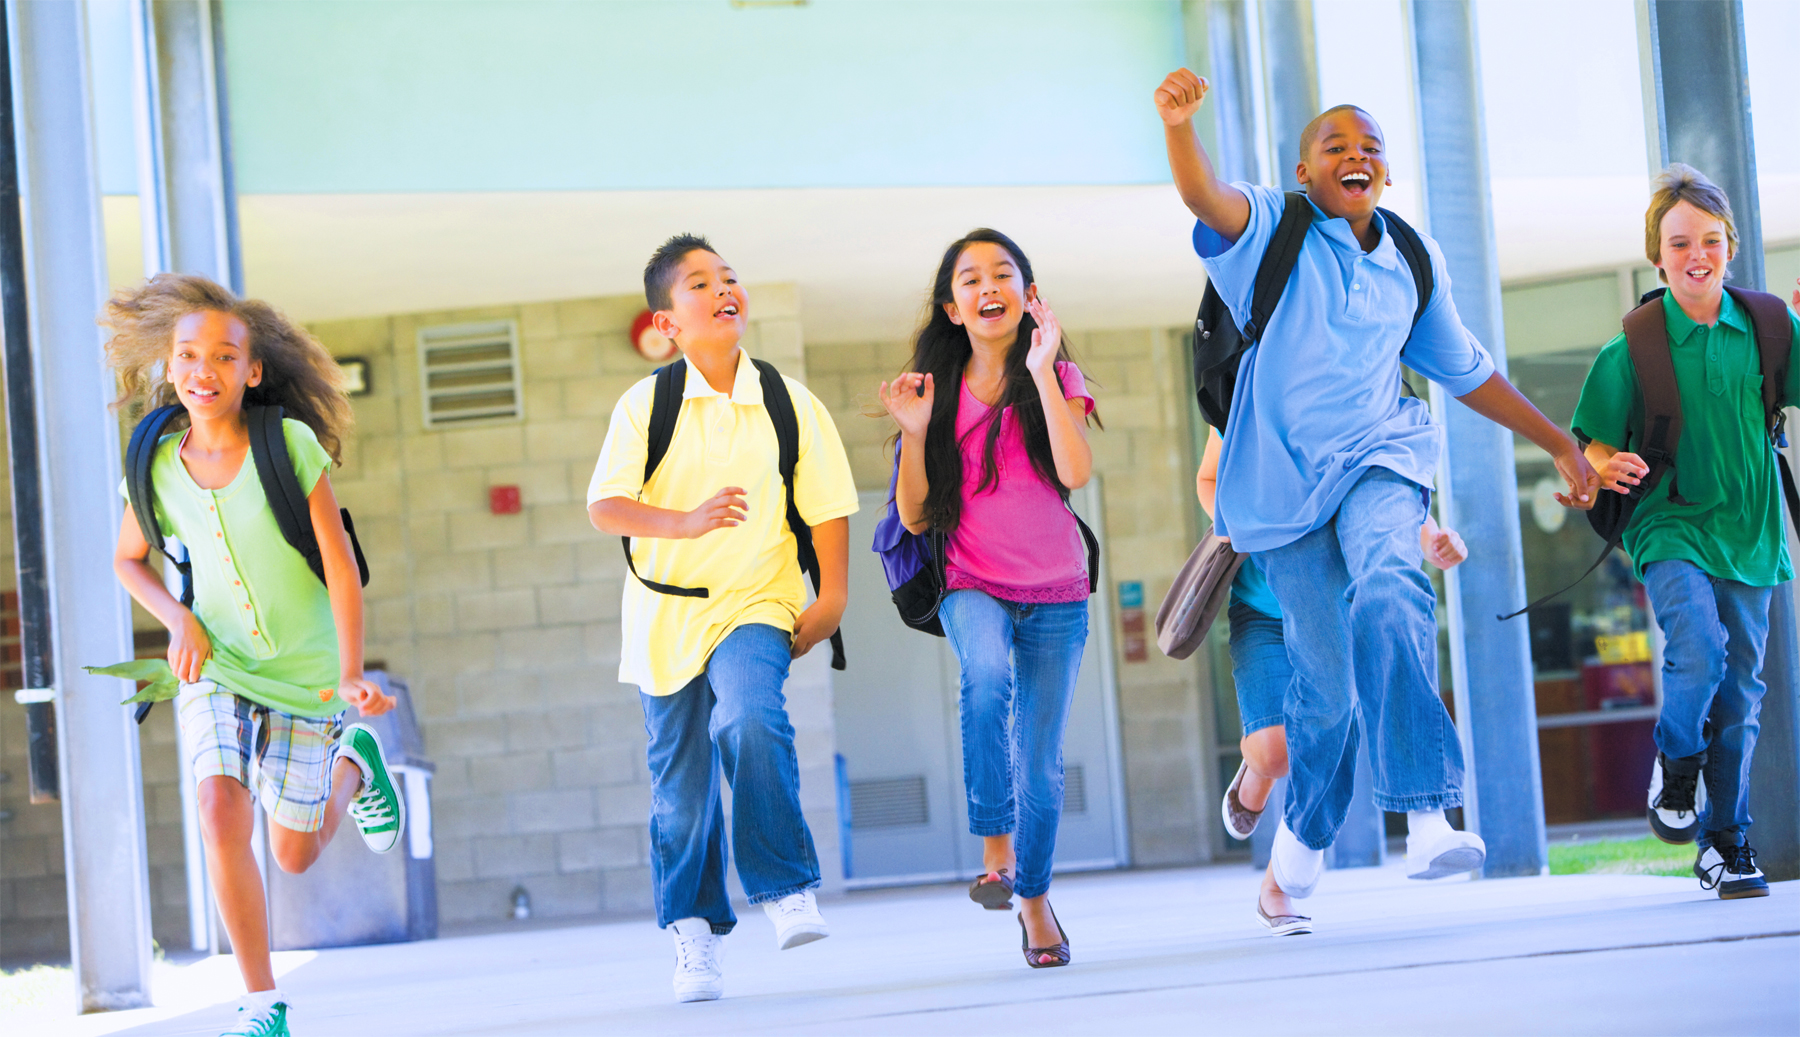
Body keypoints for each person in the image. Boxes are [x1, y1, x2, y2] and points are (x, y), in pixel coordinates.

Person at [1154, 69, 1601, 913]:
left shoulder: (1411, 259)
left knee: (1394, 590)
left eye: (1371, 150)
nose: (1355, 158)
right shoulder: (1271, 232)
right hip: (1282, 492)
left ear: (1385, 175)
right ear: (1305, 171)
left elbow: (1469, 372)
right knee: (1323, 692)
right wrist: (1180, 127)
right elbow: (1204, 196)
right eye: (1336, 148)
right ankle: (1300, 846)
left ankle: (1428, 811)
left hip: (1379, 455)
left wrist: (1558, 443)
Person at [106, 274, 404, 1037]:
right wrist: (177, 619)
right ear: (170, 368)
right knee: (217, 806)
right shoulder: (156, 463)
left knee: (296, 855)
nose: (204, 369)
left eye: (224, 355)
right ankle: (262, 1002)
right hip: (221, 667)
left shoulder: (287, 445)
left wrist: (350, 674)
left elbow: (340, 563)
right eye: (189, 354)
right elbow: (128, 560)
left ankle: (355, 765)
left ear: (252, 370)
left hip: (308, 678)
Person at [587, 234, 858, 1002]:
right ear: (667, 322)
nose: (723, 290)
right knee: (681, 788)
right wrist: (685, 521)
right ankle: (695, 935)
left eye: (729, 278)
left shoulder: (788, 400)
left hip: (756, 599)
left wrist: (830, 596)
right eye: (699, 283)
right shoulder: (646, 404)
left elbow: (828, 506)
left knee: (746, 716)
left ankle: (783, 886)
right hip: (665, 616)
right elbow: (605, 506)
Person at [1571, 165, 1800, 900]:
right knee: (1698, 649)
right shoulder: (1633, 346)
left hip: (1751, 528)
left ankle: (1726, 840)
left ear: (1729, 244)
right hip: (1669, 524)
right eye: (1679, 243)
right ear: (1657, 254)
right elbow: (1591, 443)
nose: (1695, 254)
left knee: (1741, 690)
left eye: (1709, 239)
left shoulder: (1767, 328)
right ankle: (1676, 763)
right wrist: (1606, 464)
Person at [878, 228, 1099, 969]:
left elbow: (1074, 473)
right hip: (971, 582)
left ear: (1027, 296)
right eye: (969, 279)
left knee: (1042, 765)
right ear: (952, 307)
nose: (987, 287)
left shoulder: (1054, 375)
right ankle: (994, 845)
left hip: (1059, 591)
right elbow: (913, 516)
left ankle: (1033, 899)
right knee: (986, 675)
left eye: (1002, 273)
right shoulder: (934, 395)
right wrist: (913, 432)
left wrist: (1042, 368)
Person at [1196, 429, 1467, 936]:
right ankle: (1254, 776)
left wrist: (1430, 538)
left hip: (1332, 615)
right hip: (1265, 613)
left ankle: (1276, 888)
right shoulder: (1244, 389)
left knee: (1332, 715)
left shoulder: (1349, 397)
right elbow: (1209, 478)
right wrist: (1238, 523)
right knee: (1276, 752)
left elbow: (1380, 487)